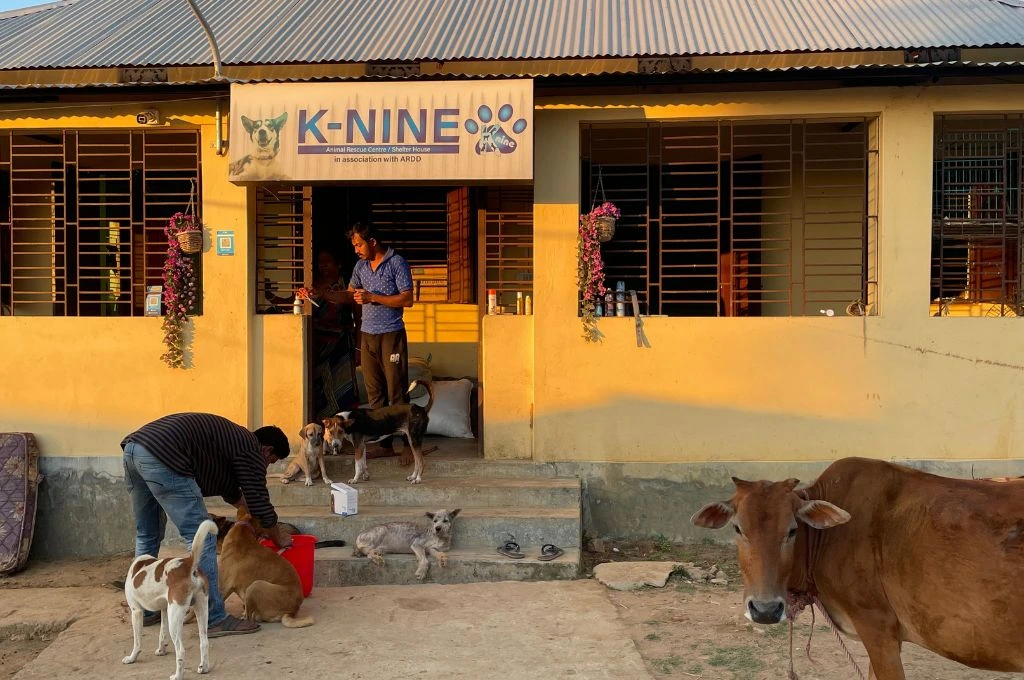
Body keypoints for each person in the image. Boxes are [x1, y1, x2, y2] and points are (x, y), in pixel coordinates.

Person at [121, 413, 293, 636]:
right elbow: (260, 499)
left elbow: (235, 494)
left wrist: (255, 518)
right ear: (267, 451)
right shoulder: (251, 449)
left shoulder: (231, 442)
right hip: (165, 456)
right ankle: (214, 618)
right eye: (271, 462)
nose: (267, 467)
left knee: (147, 533)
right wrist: (278, 536)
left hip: (135, 449)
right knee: (203, 535)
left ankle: (145, 609)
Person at [330, 223, 414, 459]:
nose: (356, 249)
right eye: (354, 245)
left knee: (396, 391)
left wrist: (372, 297)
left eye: (359, 244)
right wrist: (323, 294)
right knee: (375, 393)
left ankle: (408, 445)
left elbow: (407, 299)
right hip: (367, 334)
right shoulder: (360, 266)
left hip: (391, 334)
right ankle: (385, 445)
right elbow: (349, 295)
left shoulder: (397, 262)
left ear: (373, 242)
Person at [264, 250, 360, 419]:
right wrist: (271, 296)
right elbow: (293, 303)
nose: (322, 266)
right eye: (320, 262)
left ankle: (344, 426)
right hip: (317, 345)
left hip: (341, 346)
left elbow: (358, 317)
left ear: (338, 264)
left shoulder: (347, 286)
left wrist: (359, 347)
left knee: (342, 387)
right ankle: (322, 425)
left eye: (327, 262)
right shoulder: (313, 285)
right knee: (317, 387)